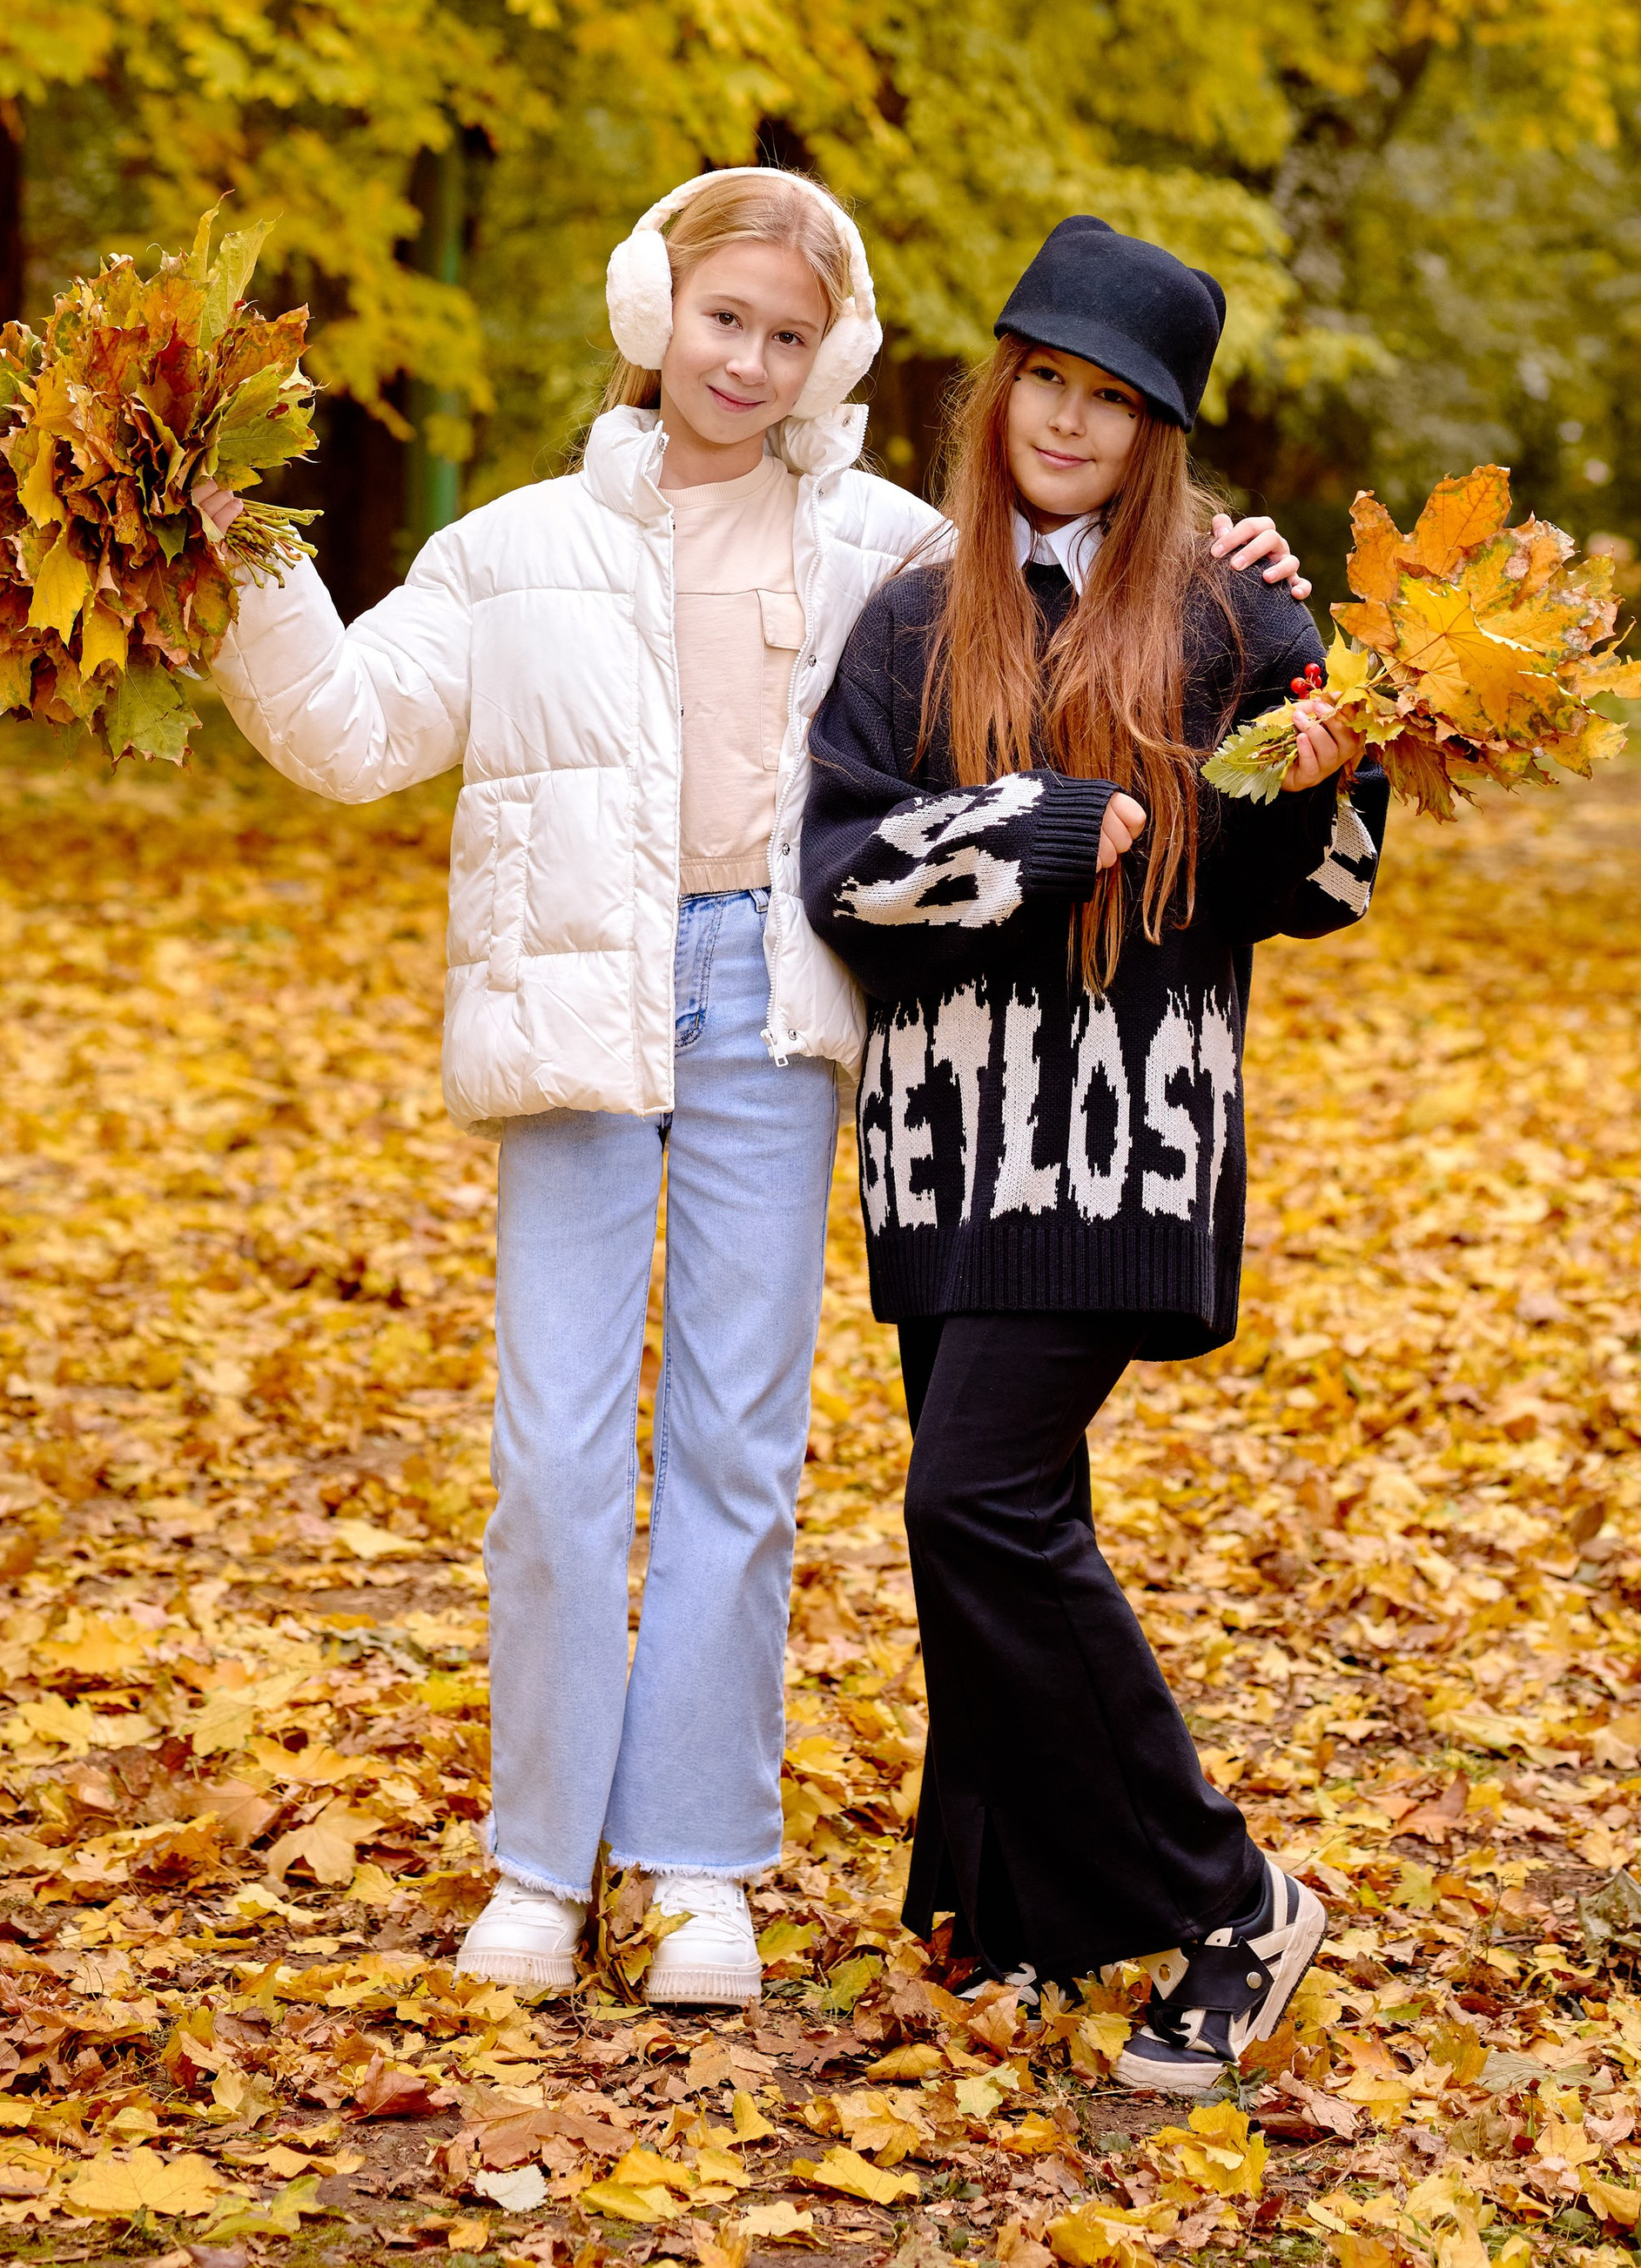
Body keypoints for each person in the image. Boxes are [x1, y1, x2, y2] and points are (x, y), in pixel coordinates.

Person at [196, 171, 1308, 2010]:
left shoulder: (887, 543)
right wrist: (237, 556)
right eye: (724, 320)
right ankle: (539, 1865)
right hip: (581, 1000)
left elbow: (1079, 582)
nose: (748, 361)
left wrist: (1229, 565)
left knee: (738, 1447)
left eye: (790, 336)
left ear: (832, 356)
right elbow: (346, 732)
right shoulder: (509, 548)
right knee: (555, 1454)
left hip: (776, 1008)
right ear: (653, 311)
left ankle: (698, 1860)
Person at [800, 213, 1388, 2092]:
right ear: (997, 396)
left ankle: (1227, 1898)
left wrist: (1335, 766)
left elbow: (1320, 890)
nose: (1065, 420)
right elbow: (840, 876)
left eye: (1110, 400)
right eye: (1042, 381)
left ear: (1158, 436)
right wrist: (1033, 833)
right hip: (940, 1157)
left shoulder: (1235, 617)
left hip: (1119, 1147)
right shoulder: (914, 618)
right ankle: (992, 1910)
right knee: (991, 1523)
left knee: (972, 1503)